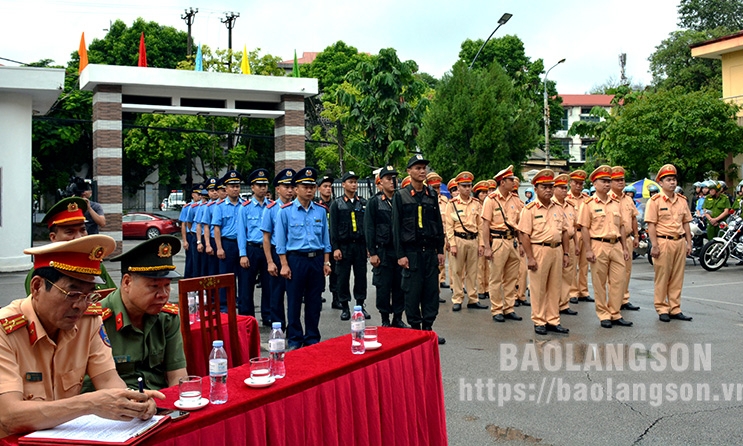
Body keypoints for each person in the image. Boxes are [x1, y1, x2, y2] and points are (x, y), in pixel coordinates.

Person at [0, 235, 163, 438]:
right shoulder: (5, 330)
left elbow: (108, 380)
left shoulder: (88, 320)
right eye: (72, 294)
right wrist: (89, 403)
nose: (80, 306)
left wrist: (130, 402)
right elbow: (8, 416)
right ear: (36, 287)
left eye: (89, 295)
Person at [100, 235, 187, 390]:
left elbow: (177, 375)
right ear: (127, 282)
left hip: (160, 402)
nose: (163, 294)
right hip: (114, 404)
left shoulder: (167, 317)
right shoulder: (99, 320)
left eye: (167, 285)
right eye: (154, 286)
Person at [275, 167, 332, 349]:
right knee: (293, 302)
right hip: (295, 260)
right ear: (297, 189)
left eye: (312, 187)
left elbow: (325, 239)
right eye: (305, 186)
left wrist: (326, 261)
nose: (309, 190)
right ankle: (294, 339)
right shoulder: (285, 211)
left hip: (315, 260)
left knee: (314, 302)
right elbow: (281, 243)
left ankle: (312, 338)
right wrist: (284, 265)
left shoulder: (321, 211)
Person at [392, 154, 446, 345]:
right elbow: (396, 228)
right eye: (417, 168)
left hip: (430, 252)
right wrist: (401, 255)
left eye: (424, 168)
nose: (422, 171)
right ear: (409, 171)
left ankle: (428, 330)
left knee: (431, 292)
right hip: (411, 254)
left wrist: (440, 249)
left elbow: (438, 224)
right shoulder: (401, 196)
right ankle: (415, 331)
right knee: (412, 293)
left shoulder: (432, 195)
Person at [517, 169, 571, 335]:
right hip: (539, 249)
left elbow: (564, 233)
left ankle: (553, 320)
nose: (548, 190)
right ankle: (539, 320)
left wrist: (566, 253)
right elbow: (524, 234)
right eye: (544, 187)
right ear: (536, 188)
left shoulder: (558, 208)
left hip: (557, 249)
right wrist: (530, 257)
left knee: (555, 287)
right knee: (538, 288)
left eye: (550, 186)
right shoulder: (530, 209)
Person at [578, 165, 632, 329]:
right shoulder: (588, 204)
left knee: (618, 281)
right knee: (599, 282)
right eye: (603, 181)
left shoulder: (616, 203)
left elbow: (622, 225)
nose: (607, 184)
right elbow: (584, 228)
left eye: (609, 181)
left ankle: (615, 313)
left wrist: (624, 247)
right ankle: (603, 315)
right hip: (598, 244)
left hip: (615, 244)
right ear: (595, 184)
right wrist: (588, 249)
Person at [645, 164, 693, 322]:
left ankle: (675, 307)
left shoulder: (682, 200)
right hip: (663, 240)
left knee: (677, 277)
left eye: (674, 179)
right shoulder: (655, 201)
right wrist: (654, 245)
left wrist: (689, 243)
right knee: (663, 276)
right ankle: (662, 308)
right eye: (668, 180)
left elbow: (686, 222)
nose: (672, 183)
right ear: (661, 182)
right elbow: (651, 224)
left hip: (679, 241)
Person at [365, 166, 407, 328]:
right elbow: (369, 228)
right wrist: (372, 253)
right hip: (382, 251)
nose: (392, 181)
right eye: (388, 178)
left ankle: (398, 317)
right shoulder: (375, 202)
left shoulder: (401, 199)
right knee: (383, 286)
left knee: (400, 285)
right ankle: (384, 319)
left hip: (399, 251)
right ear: (380, 182)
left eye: (394, 178)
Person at [480, 165, 523, 323]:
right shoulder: (490, 200)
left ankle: (509, 308)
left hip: (513, 241)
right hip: (498, 241)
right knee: (496, 277)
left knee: (512, 278)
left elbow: (520, 222)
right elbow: (485, 225)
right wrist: (487, 247)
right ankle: (497, 309)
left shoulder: (515, 200)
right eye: (510, 180)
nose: (513, 182)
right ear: (502, 182)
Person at [444, 171, 488, 312]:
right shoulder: (452, 204)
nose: (467, 189)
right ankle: (457, 298)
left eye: (469, 186)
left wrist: (481, 244)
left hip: (473, 239)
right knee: (457, 271)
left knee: (473, 271)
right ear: (458, 187)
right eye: (464, 186)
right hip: (458, 239)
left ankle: (473, 298)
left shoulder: (476, 204)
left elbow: (480, 226)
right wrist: (452, 244)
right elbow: (449, 226)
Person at [330, 171, 370, 320]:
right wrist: (336, 248)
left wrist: (368, 247)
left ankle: (360, 306)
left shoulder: (363, 203)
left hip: (359, 246)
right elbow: (333, 228)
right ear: (343, 184)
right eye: (350, 182)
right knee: (342, 278)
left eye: (355, 182)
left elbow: (367, 227)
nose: (354, 185)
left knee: (361, 277)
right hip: (344, 246)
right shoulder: (337, 204)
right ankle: (345, 307)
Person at [237, 169, 273, 323]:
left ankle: (268, 315)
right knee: (246, 284)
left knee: (269, 284)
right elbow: (241, 233)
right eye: (259, 185)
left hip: (268, 250)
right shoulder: (244, 207)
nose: (263, 188)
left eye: (265, 185)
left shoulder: (271, 206)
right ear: (252, 187)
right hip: (251, 248)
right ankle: (247, 317)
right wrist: (243, 254)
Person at [261, 169, 296, 329]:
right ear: (277, 189)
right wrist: (269, 261)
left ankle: (294, 327)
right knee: (277, 292)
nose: (290, 190)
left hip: (294, 254)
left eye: (292, 186)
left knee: (295, 294)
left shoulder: (297, 207)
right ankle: (278, 326)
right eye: (286, 186)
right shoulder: (271, 209)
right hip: (276, 253)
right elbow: (266, 238)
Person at [212, 170, 245, 311]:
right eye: (232, 186)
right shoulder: (220, 207)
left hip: (242, 244)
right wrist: (219, 247)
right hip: (227, 243)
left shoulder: (245, 205)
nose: (235, 189)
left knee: (243, 276)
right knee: (226, 276)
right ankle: (224, 305)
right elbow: (217, 229)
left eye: (237, 186)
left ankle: (241, 302)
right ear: (226, 189)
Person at [609, 166, 641, 312]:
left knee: (627, 271)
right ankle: (614, 301)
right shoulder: (607, 199)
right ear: (610, 182)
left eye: (622, 180)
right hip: (614, 240)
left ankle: (624, 299)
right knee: (615, 274)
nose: (621, 182)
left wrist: (636, 235)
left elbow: (633, 218)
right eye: (617, 180)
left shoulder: (628, 199)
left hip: (627, 238)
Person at [552, 173, 579, 316]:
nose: (564, 190)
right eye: (561, 188)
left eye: (565, 187)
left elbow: (573, 228)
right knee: (554, 276)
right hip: (555, 244)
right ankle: (553, 304)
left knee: (568, 274)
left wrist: (577, 245)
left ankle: (564, 303)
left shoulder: (570, 206)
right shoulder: (550, 204)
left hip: (569, 243)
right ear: (554, 189)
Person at [568, 170, 593, 304]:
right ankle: (572, 292)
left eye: (581, 183)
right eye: (576, 183)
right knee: (572, 264)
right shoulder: (566, 198)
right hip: (573, 233)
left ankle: (583, 290)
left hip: (586, 232)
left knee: (584, 264)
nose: (578, 186)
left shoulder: (586, 199)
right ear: (570, 183)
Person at [316, 175, 339, 309]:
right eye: (325, 186)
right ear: (319, 189)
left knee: (336, 272)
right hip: (320, 243)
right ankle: (318, 296)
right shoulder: (316, 205)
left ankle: (336, 298)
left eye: (330, 186)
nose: (328, 189)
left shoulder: (335, 204)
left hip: (333, 242)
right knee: (320, 272)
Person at [428, 172, 450, 291]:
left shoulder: (445, 200)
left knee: (441, 262)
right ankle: (435, 290)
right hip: (432, 236)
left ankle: (441, 282)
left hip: (445, 234)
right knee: (433, 265)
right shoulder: (428, 200)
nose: (437, 190)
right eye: (434, 187)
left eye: (438, 187)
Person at [197, 178, 220, 276]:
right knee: (211, 269)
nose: (214, 193)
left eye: (216, 190)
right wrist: (202, 243)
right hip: (211, 239)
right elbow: (200, 225)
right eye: (211, 191)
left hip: (223, 239)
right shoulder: (205, 206)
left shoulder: (221, 204)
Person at [513, 177, 530, 307]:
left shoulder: (522, 205)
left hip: (520, 241)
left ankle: (521, 295)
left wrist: (522, 243)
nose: (513, 193)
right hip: (507, 239)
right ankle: (513, 296)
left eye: (515, 190)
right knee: (511, 271)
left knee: (523, 271)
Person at [180, 184, 203, 279]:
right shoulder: (188, 207)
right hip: (191, 235)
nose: (200, 196)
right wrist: (185, 240)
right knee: (190, 261)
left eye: (201, 194)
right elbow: (184, 224)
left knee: (200, 262)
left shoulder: (204, 205)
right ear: (193, 195)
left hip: (201, 236)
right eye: (198, 194)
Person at [473, 180, 490, 301]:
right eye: (482, 192)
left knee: (489, 265)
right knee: (480, 265)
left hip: (489, 238)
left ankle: (487, 287)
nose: (484, 194)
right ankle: (480, 289)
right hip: (479, 237)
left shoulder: (490, 204)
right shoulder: (475, 205)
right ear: (477, 194)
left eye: (486, 192)